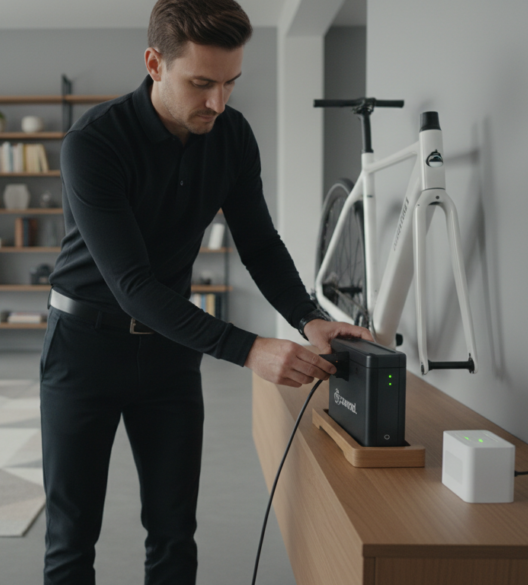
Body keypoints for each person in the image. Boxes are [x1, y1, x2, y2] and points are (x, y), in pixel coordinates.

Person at [40, 1, 373, 583]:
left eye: (229, 83)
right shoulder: (92, 143)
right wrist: (249, 349)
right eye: (201, 84)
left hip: (169, 354)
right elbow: (133, 284)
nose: (217, 102)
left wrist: (307, 317)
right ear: (154, 63)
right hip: (83, 350)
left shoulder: (232, 135)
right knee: (72, 538)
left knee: (173, 532)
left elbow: (260, 242)